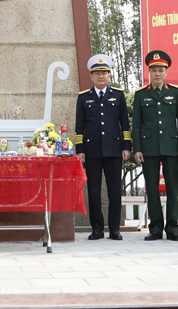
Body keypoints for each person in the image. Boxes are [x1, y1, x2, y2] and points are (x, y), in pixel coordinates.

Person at [131, 50, 178, 241]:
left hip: (171, 147)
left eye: (161, 70)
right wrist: (137, 149)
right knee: (152, 188)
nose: (157, 74)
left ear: (166, 72)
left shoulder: (176, 93)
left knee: (172, 188)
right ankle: (155, 228)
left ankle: (172, 228)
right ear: (149, 72)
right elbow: (136, 125)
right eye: (154, 70)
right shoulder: (140, 95)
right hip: (149, 148)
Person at [75, 55, 131, 241]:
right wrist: (80, 150)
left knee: (115, 190)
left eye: (104, 73)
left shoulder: (118, 95)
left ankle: (114, 229)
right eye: (97, 73)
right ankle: (97, 228)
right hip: (92, 151)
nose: (101, 76)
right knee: (94, 190)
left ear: (109, 76)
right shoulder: (84, 98)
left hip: (114, 149)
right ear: (91, 76)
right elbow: (78, 126)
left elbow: (125, 124)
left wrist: (126, 147)